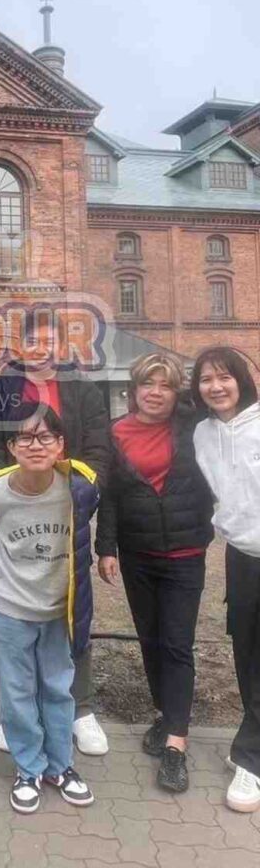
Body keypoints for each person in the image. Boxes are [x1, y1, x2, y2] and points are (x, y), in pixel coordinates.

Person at [0, 309, 111, 756]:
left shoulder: (84, 390)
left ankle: (79, 708)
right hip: (15, 516)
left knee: (71, 611)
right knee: (18, 616)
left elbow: (98, 451)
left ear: (63, 346)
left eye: (51, 341)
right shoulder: (0, 390)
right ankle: (20, 712)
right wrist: (8, 493)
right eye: (33, 341)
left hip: (66, 515)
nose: (42, 349)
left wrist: (79, 492)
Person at [0, 402, 99, 814]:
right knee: (17, 690)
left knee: (58, 688)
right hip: (11, 606)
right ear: (11, 446)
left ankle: (59, 766)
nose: (36, 445)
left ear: (61, 444)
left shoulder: (77, 489)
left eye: (45, 436)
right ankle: (28, 767)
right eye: (25, 437)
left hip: (58, 608)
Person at [96, 353, 213, 793]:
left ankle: (176, 746)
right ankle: (166, 713)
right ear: (135, 389)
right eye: (149, 384)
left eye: (166, 385)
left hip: (185, 552)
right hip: (138, 553)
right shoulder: (116, 433)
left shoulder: (193, 426)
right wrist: (106, 548)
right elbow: (110, 497)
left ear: (177, 391)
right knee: (151, 640)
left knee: (177, 644)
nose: (156, 393)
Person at [192, 346, 260, 813]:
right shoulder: (202, 433)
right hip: (242, 557)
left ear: (241, 379)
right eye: (205, 379)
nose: (216, 386)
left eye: (224, 377)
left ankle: (249, 758)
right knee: (247, 655)